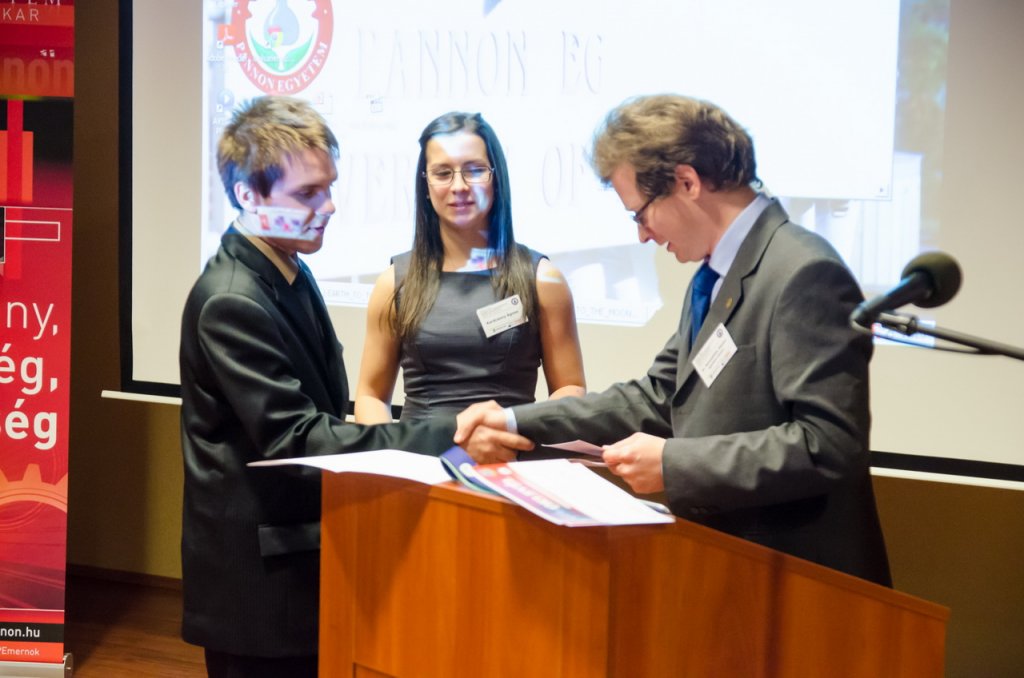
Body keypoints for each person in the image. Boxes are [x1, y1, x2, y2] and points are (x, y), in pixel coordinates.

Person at [455, 94, 891, 586]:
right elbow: (656, 395)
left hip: (804, 584)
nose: (642, 236)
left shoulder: (802, 271)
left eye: (640, 214)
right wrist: (514, 418)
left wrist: (672, 462)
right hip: (735, 571)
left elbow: (828, 444)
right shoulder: (716, 275)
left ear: (687, 182)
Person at [179, 96, 530, 678]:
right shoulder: (232, 300)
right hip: (260, 589)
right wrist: (452, 433)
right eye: (307, 193)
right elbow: (299, 440)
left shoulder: (285, 266)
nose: (329, 206)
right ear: (247, 194)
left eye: (329, 187)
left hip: (296, 563)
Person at [354, 111, 585, 424]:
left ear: (496, 178)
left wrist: (515, 427)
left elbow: (570, 389)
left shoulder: (542, 280)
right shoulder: (394, 283)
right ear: (425, 183)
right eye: (442, 173)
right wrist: (389, 450)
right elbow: (370, 395)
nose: (459, 186)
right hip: (415, 452)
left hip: (507, 449)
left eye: (474, 170)